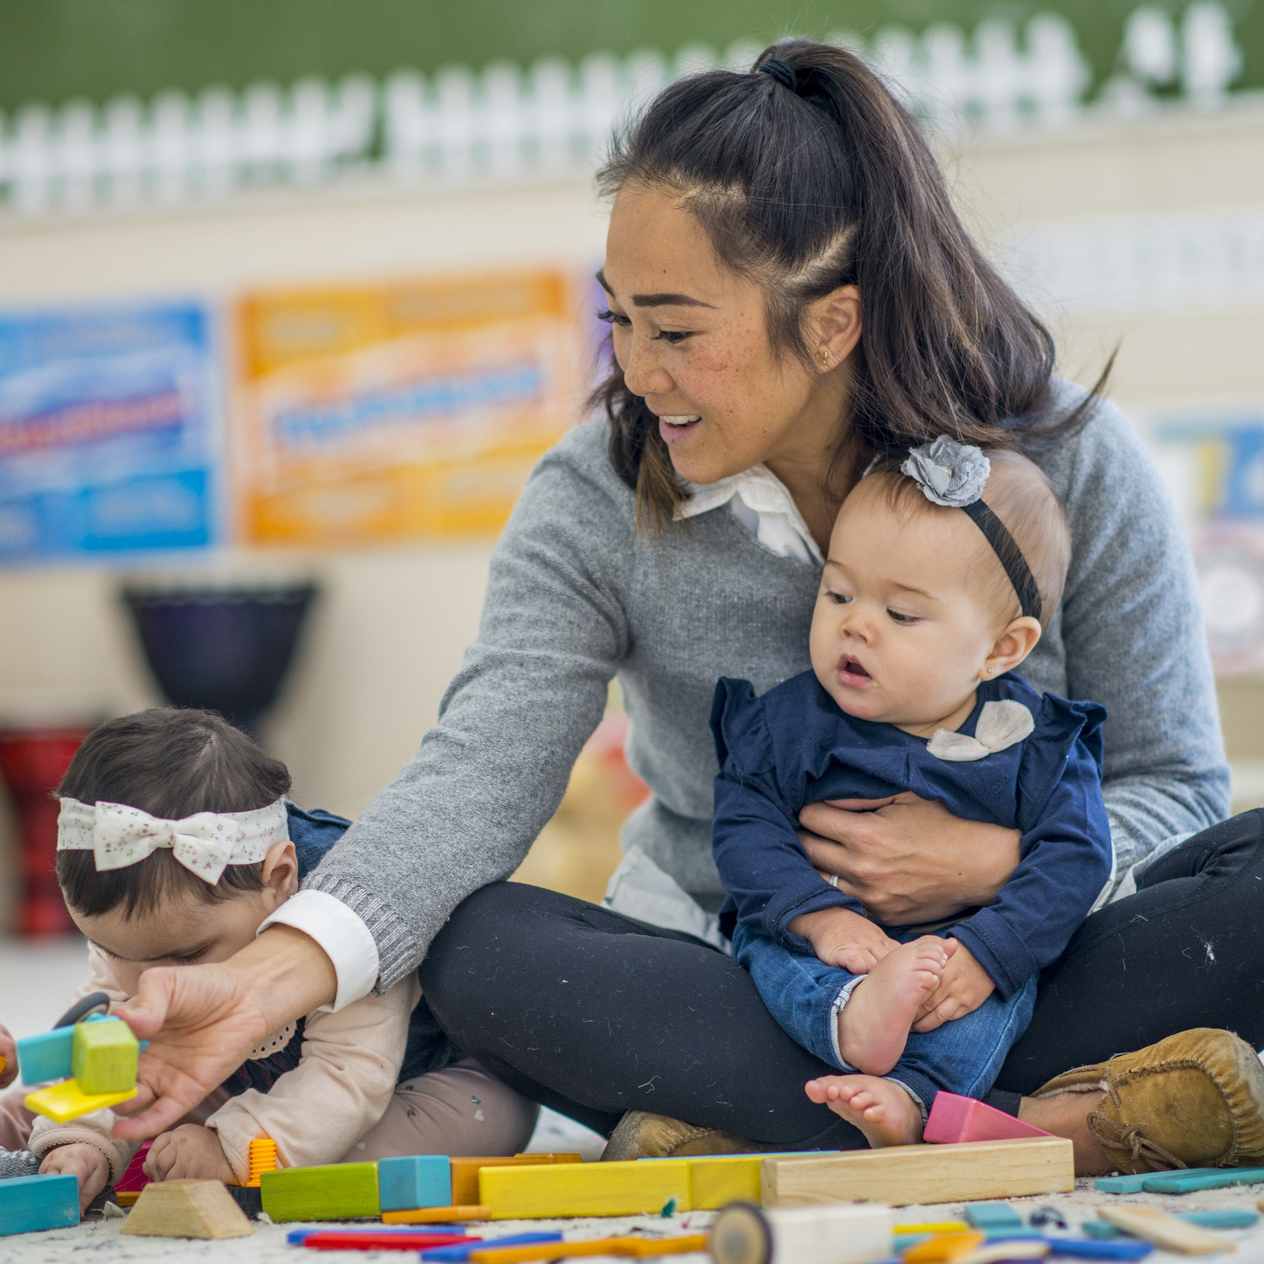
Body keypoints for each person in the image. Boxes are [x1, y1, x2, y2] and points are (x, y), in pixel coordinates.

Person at [105, 40, 1264, 1176]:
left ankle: (801, 1118)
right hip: (744, 976)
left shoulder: (1068, 461)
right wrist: (266, 973)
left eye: (675, 329)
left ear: (830, 322)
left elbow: (1173, 780)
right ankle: (1058, 1123)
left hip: (1029, 954)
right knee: (477, 948)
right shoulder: (592, 494)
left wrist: (998, 869)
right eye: (616, 319)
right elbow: (477, 771)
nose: (635, 370)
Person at [713, 441, 1110, 1146]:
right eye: (837, 594)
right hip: (819, 941)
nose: (855, 624)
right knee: (764, 953)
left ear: (1001, 649)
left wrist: (990, 953)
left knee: (992, 1007)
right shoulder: (787, 725)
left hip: (961, 950)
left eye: (901, 614)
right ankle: (850, 1019)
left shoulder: (1039, 743)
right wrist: (821, 919)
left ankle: (911, 1102)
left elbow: (1076, 857)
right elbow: (746, 830)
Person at [0, 709, 537, 1210]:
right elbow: (107, 1047)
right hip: (232, 1084)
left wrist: (230, 1147)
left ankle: (245, 1160)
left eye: (187, 956)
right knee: (66, 1106)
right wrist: (83, 1140)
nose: (149, 983)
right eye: (112, 951)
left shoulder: (349, 906)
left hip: (406, 1081)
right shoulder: (151, 940)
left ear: (278, 881)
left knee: (442, 1128)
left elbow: (349, 1076)